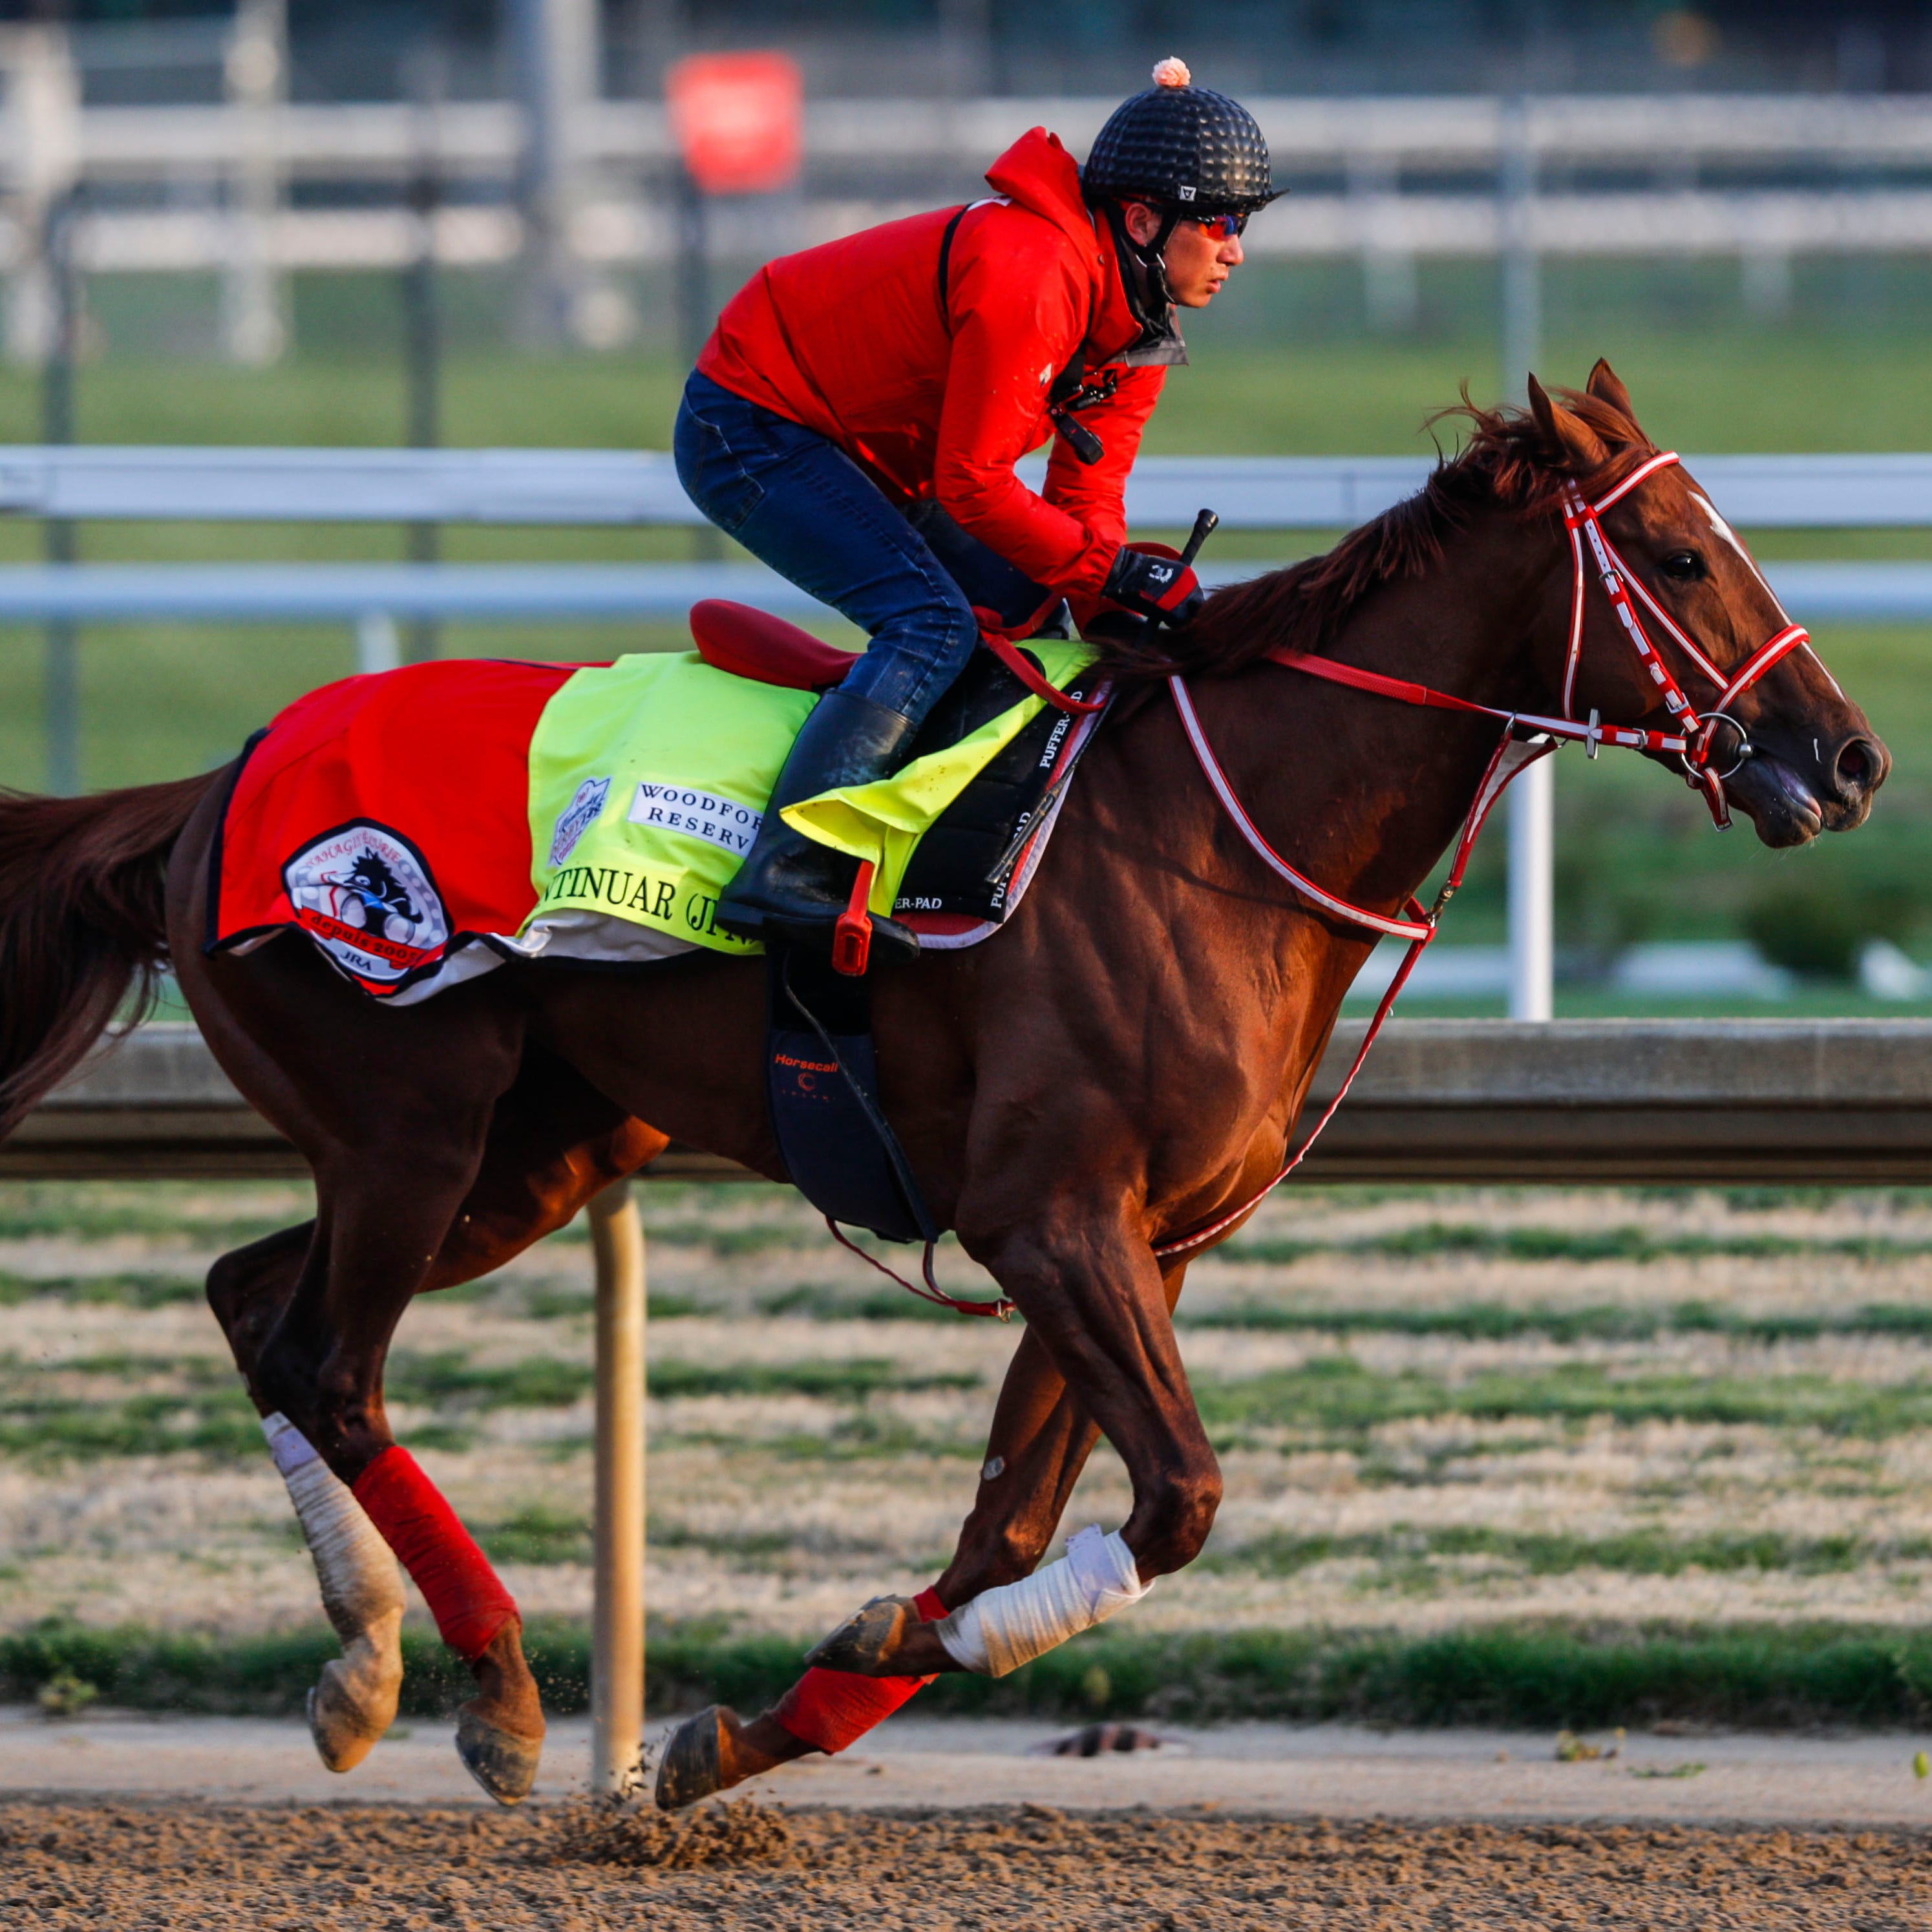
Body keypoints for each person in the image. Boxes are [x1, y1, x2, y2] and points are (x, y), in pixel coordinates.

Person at [674, 57, 1276, 959]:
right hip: (752, 422)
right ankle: (786, 871)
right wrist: (1114, 572)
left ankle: (946, 855)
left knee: (1035, 610)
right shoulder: (1031, 272)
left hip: (870, 449)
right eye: (1221, 222)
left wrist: (1116, 609)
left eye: (1244, 225)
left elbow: (1086, 499)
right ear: (1144, 220)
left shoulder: (1138, 322)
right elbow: (974, 486)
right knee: (933, 626)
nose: (1236, 250)